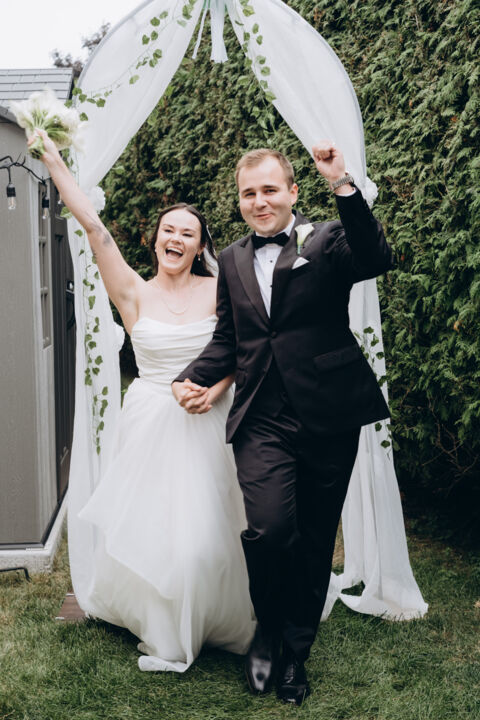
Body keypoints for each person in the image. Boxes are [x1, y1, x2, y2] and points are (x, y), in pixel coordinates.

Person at [173, 141, 394, 704]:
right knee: (270, 531)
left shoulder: (328, 239)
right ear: (240, 202)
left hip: (329, 415)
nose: (260, 201)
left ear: (293, 192)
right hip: (261, 418)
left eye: (270, 189)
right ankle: (267, 632)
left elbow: (375, 257)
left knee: (315, 539)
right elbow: (230, 338)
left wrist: (342, 183)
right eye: (249, 193)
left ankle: (295, 653)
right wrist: (190, 376)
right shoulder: (231, 259)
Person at [31, 128, 255, 672]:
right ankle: (162, 620)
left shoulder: (220, 288)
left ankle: (216, 613)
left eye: (188, 233)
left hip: (211, 417)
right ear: (155, 241)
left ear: (200, 246)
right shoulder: (132, 291)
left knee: (211, 529)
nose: (176, 238)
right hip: (151, 420)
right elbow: (93, 226)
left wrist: (216, 389)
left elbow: (240, 350)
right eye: (168, 230)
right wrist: (55, 161)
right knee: (155, 528)